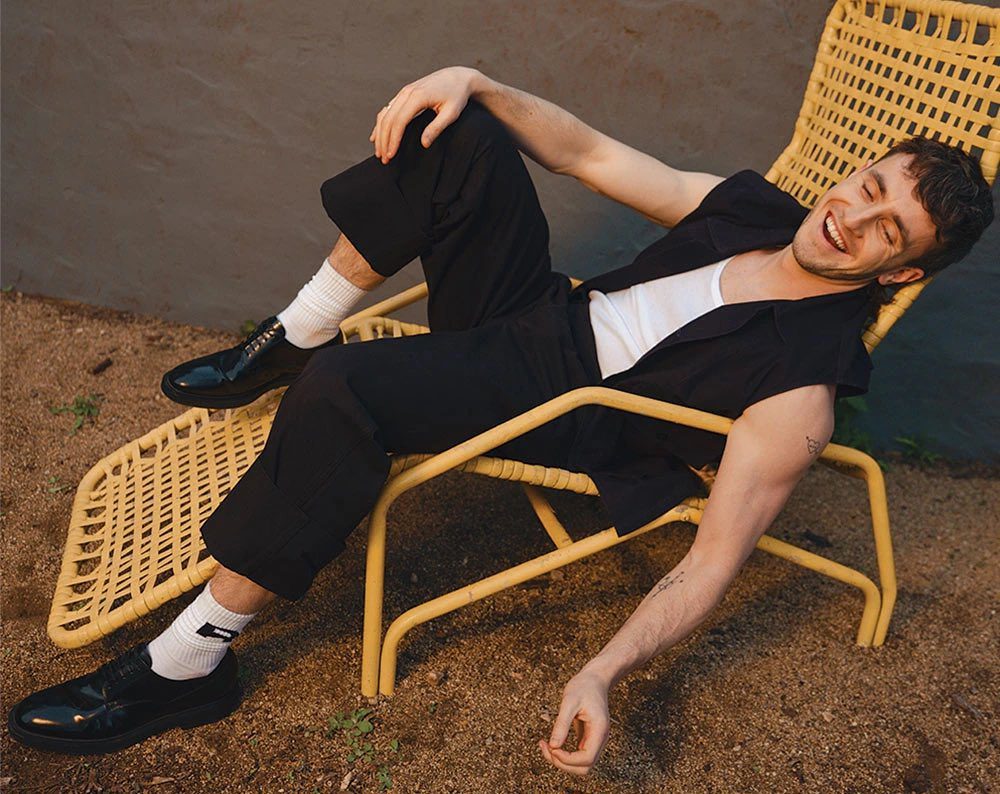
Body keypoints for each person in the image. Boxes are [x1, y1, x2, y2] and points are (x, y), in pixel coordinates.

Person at [9, 66, 993, 775]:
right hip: (538, 314)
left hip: (560, 406)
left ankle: (191, 660)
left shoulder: (800, 392)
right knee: (463, 134)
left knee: (349, 390)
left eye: (886, 231)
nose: (851, 218)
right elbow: (591, 153)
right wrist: (474, 81)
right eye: (868, 187)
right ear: (856, 170)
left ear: (900, 272)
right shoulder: (757, 212)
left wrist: (603, 671)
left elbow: (711, 561)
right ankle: (296, 331)